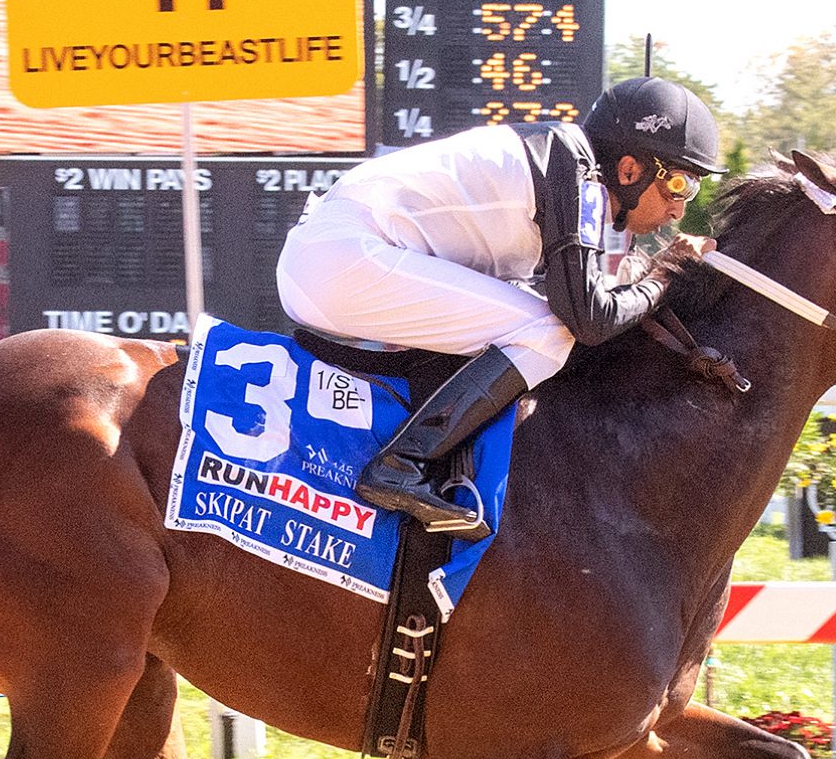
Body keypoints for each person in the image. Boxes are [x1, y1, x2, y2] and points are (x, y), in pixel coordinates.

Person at [275, 76, 723, 541]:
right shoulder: (576, 171)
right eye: (679, 183)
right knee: (547, 331)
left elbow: (582, 300)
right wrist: (668, 272)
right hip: (343, 260)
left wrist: (643, 278)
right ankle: (401, 463)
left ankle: (430, 457)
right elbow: (588, 320)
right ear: (629, 169)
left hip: (331, 260)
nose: (678, 210)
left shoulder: (560, 167)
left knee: (530, 320)